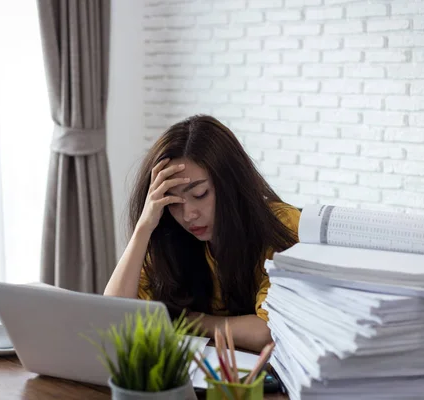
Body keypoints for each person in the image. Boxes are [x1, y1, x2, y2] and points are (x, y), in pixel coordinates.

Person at [104, 115, 300, 352]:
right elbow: (113, 317)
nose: (188, 215)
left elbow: (267, 332)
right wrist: (143, 228)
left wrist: (186, 320)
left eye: (199, 194)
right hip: (195, 371)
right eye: (173, 202)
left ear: (231, 184)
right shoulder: (168, 233)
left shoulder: (283, 225)